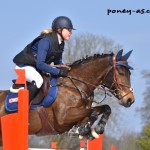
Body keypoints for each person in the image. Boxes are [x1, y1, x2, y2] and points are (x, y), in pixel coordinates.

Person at [13, 16, 75, 101]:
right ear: (59, 30)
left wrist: (67, 69)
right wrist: (58, 71)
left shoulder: (61, 43)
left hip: (36, 68)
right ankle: (23, 105)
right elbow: (40, 64)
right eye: (69, 30)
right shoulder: (46, 41)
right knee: (38, 81)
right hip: (24, 66)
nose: (70, 33)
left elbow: (58, 62)